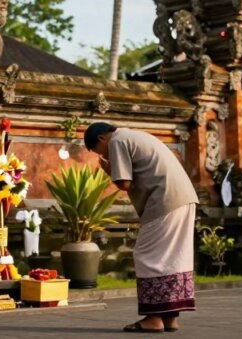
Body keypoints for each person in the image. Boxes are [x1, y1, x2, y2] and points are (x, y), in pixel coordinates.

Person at [85, 122, 199, 334]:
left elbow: (124, 183)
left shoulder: (117, 141)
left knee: (147, 255)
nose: (101, 155)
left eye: (96, 151)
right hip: (183, 197)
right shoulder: (134, 135)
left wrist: (109, 169)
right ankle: (170, 316)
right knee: (174, 257)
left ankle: (154, 319)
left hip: (164, 201)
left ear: (101, 139)